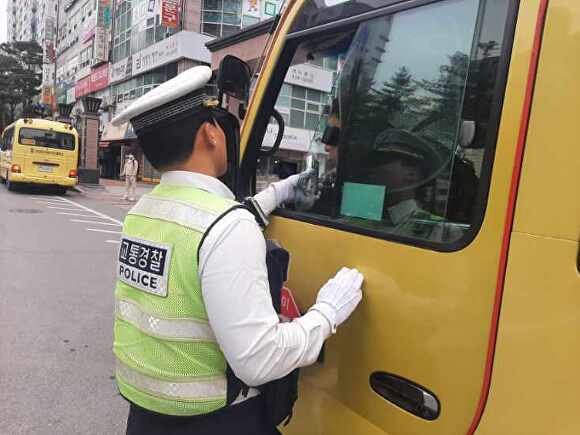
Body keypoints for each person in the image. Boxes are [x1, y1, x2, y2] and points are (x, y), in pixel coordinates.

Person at [110, 65, 364, 435]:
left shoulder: (143, 213)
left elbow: (200, 241)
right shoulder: (226, 225)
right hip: (216, 423)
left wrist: (275, 194)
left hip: (146, 419)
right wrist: (326, 314)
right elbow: (259, 361)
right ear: (211, 134)